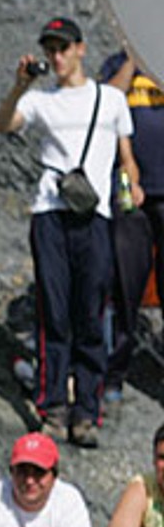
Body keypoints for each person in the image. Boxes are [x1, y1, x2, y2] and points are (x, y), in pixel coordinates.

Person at [0, 16, 144, 449]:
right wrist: (19, 87)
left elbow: (125, 156)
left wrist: (130, 185)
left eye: (63, 48)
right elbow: (2, 124)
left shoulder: (110, 99)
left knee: (91, 312)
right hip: (51, 213)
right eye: (50, 50)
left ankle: (87, 412)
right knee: (54, 313)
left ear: (80, 49)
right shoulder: (42, 100)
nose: (56, 57)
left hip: (95, 215)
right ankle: (54, 408)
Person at [101, 49, 164, 407]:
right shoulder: (118, 63)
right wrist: (133, 59)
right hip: (129, 189)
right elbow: (108, 101)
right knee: (126, 284)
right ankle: (114, 373)